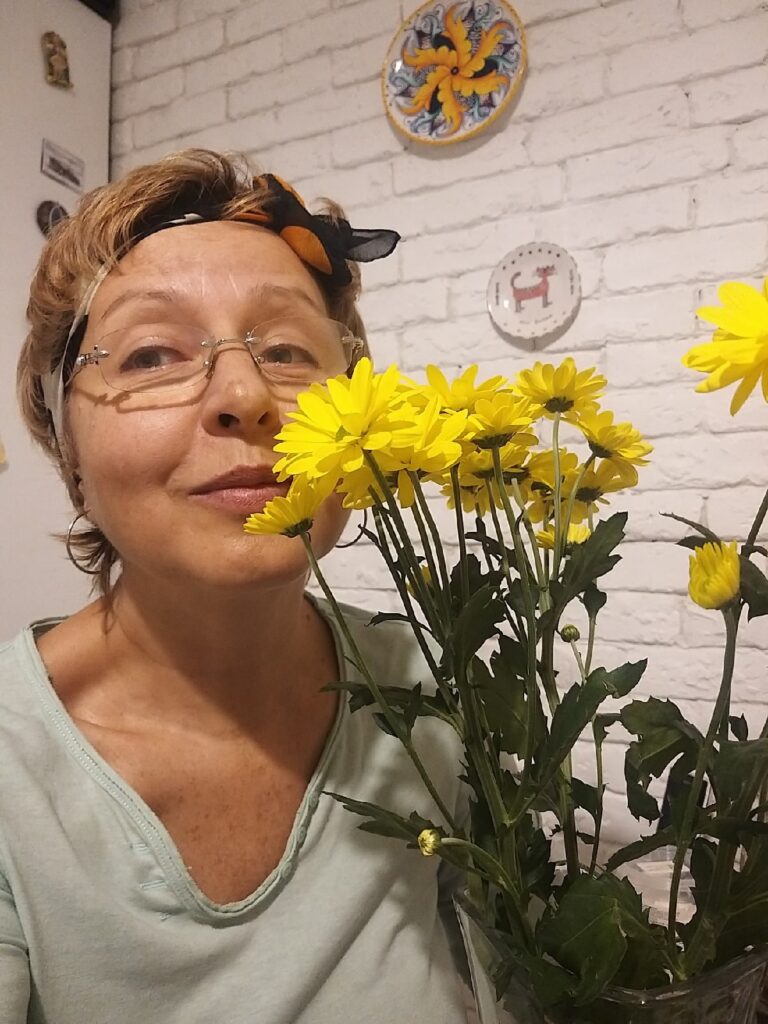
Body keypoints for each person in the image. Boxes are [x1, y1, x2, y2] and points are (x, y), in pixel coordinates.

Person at [3, 149, 470, 1023]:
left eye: (287, 349)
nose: (248, 395)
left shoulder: (433, 685)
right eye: (150, 354)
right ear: (69, 455)